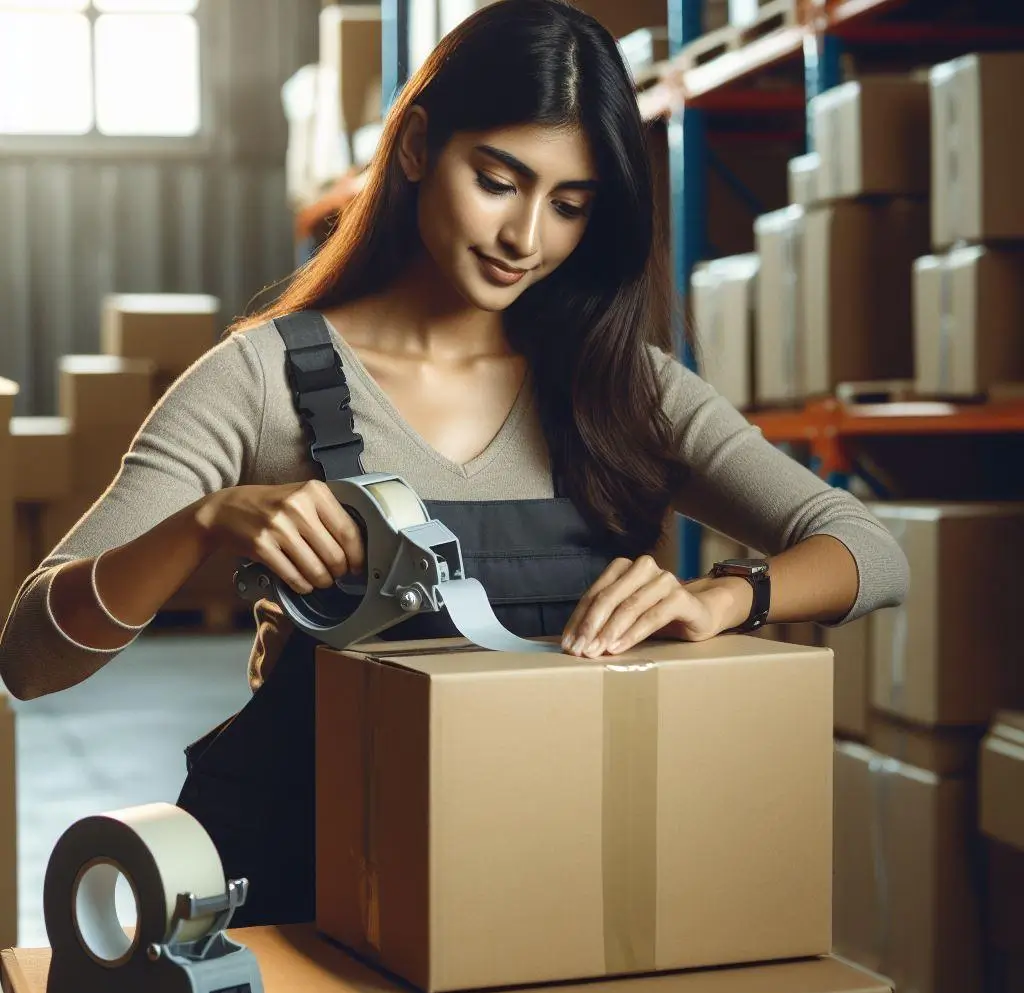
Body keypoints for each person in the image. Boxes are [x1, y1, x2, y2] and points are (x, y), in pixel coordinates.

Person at [0, 0, 908, 927]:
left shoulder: (621, 384)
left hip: (546, 883)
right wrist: (203, 522)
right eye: (499, 179)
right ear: (416, 146)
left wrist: (726, 596)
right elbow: (31, 656)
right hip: (312, 898)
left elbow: (870, 550)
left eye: (569, 205)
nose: (526, 238)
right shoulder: (262, 379)